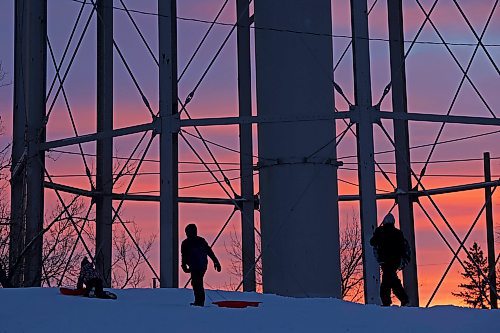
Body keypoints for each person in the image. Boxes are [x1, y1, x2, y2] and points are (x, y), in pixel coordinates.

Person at [370, 213, 410, 307]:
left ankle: (387, 302)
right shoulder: (398, 233)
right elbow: (403, 248)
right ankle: (403, 299)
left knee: (386, 282)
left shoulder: (380, 231)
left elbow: (372, 242)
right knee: (392, 280)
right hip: (394, 261)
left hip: (384, 261)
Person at [181, 224, 221, 306]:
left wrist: (216, 262)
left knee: (197, 283)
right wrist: (216, 262)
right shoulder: (199, 241)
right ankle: (199, 301)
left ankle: (199, 302)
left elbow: (184, 256)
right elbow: (209, 252)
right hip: (200, 265)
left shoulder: (188, 242)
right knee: (197, 282)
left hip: (198, 265)